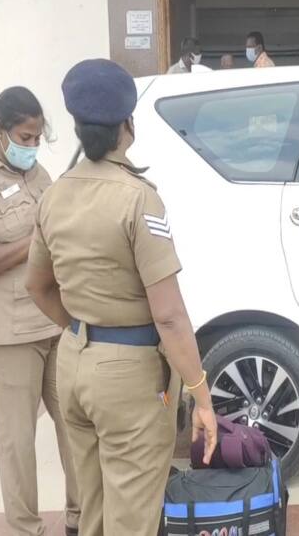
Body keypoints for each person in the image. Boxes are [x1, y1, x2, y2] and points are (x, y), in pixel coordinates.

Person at [24, 59, 217, 536]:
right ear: (127, 126)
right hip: (128, 379)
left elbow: (38, 287)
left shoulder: (55, 194)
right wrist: (202, 396)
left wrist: (84, 330)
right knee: (131, 521)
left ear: (76, 126)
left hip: (72, 364)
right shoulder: (138, 198)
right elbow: (169, 316)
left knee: (94, 513)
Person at [0, 86, 80, 536]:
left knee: (76, 428)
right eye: (23, 137)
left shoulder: (40, 174)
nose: (30, 146)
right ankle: (27, 529)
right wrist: (33, 241)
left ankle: (80, 520)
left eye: (36, 138)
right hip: (8, 335)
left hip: (53, 322)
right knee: (18, 446)